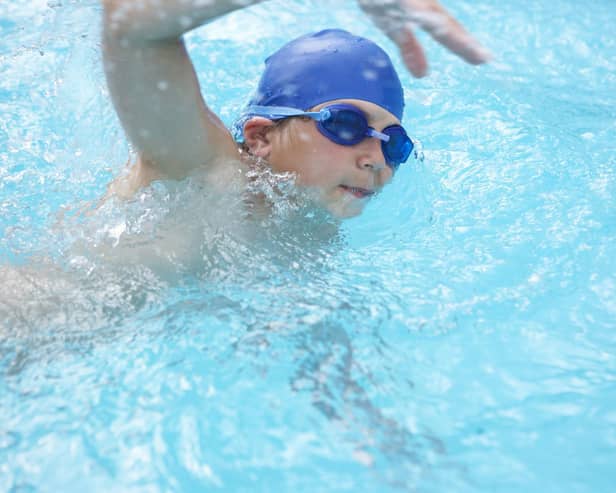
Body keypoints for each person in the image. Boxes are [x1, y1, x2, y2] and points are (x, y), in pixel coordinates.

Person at [102, 0, 489, 219]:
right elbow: (130, 26)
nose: (376, 160)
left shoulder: (313, 225)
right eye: (346, 124)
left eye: (394, 144)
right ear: (261, 137)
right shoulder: (203, 170)